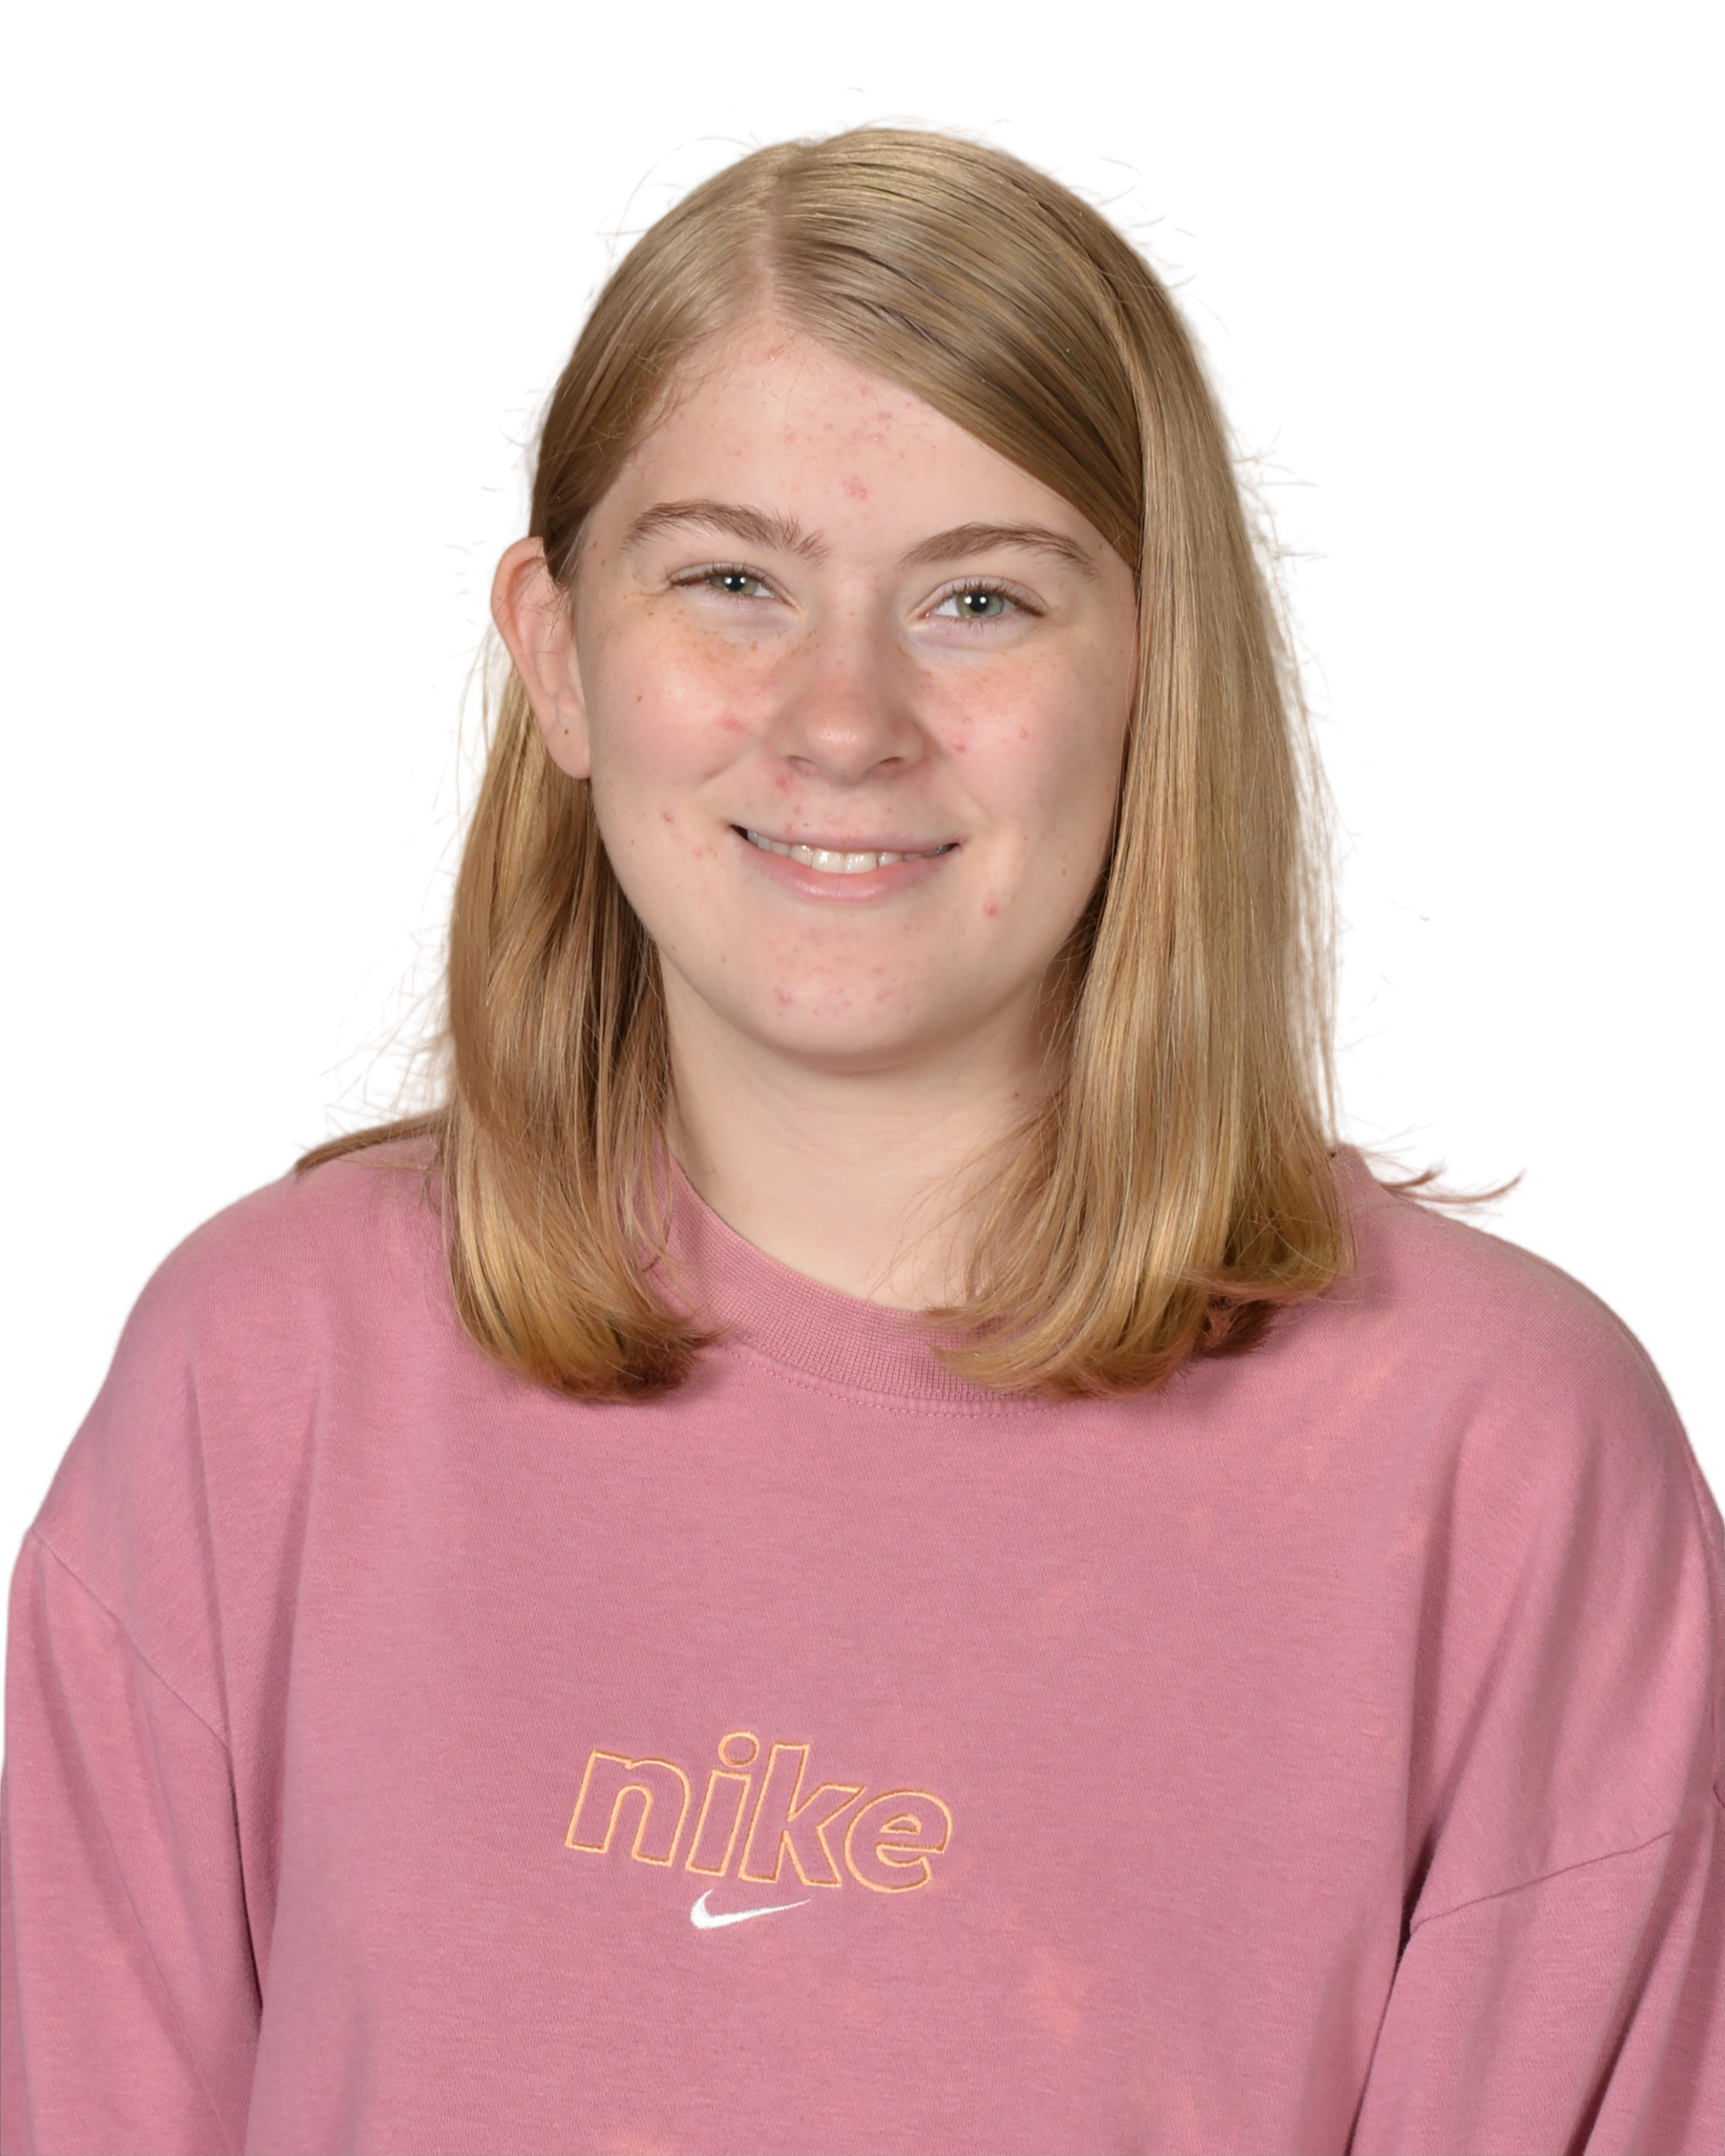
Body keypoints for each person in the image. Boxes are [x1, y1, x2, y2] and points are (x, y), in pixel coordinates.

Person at [2, 114, 1719, 2156]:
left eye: (980, 601)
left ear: (1161, 680)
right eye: (732, 580)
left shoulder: (1498, 1456)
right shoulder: (260, 1374)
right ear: (558, 655)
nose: (843, 723)